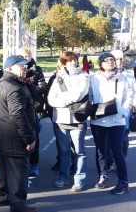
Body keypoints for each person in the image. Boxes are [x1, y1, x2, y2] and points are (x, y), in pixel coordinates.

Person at [0, 55, 36, 212]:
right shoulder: (13, 87)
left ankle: (2, 197)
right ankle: (18, 206)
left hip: (5, 136)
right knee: (18, 174)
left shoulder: (4, 82)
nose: (25, 68)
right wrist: (29, 138)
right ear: (10, 68)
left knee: (4, 169)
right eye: (21, 66)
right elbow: (18, 114)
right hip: (15, 138)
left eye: (25, 66)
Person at [89, 53, 132, 195]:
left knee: (117, 152)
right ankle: (103, 176)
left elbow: (129, 96)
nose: (111, 62)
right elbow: (88, 96)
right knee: (101, 151)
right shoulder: (92, 79)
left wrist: (123, 112)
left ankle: (123, 182)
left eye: (112, 60)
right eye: (106, 60)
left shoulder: (123, 77)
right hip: (98, 120)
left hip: (117, 121)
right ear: (100, 64)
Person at [47, 51, 89, 192]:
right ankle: (63, 177)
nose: (73, 62)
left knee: (79, 151)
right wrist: (65, 99)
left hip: (78, 119)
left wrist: (64, 97)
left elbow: (78, 95)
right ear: (64, 62)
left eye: (75, 60)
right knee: (64, 151)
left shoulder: (84, 76)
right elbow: (51, 99)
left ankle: (79, 179)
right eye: (70, 60)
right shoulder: (58, 78)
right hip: (61, 119)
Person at [17, 48, 48, 177]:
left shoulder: (36, 69)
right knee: (20, 136)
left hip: (34, 107)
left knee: (34, 137)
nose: (24, 58)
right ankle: (22, 163)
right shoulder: (16, 69)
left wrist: (30, 86)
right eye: (21, 56)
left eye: (26, 56)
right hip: (19, 107)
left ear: (30, 57)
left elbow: (43, 87)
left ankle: (34, 164)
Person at [110, 50, 136, 157]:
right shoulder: (105, 75)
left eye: (120, 59)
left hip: (125, 112)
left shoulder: (129, 76)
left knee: (123, 139)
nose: (119, 62)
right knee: (110, 140)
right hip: (109, 112)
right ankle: (110, 161)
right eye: (116, 59)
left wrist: (133, 105)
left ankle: (120, 160)